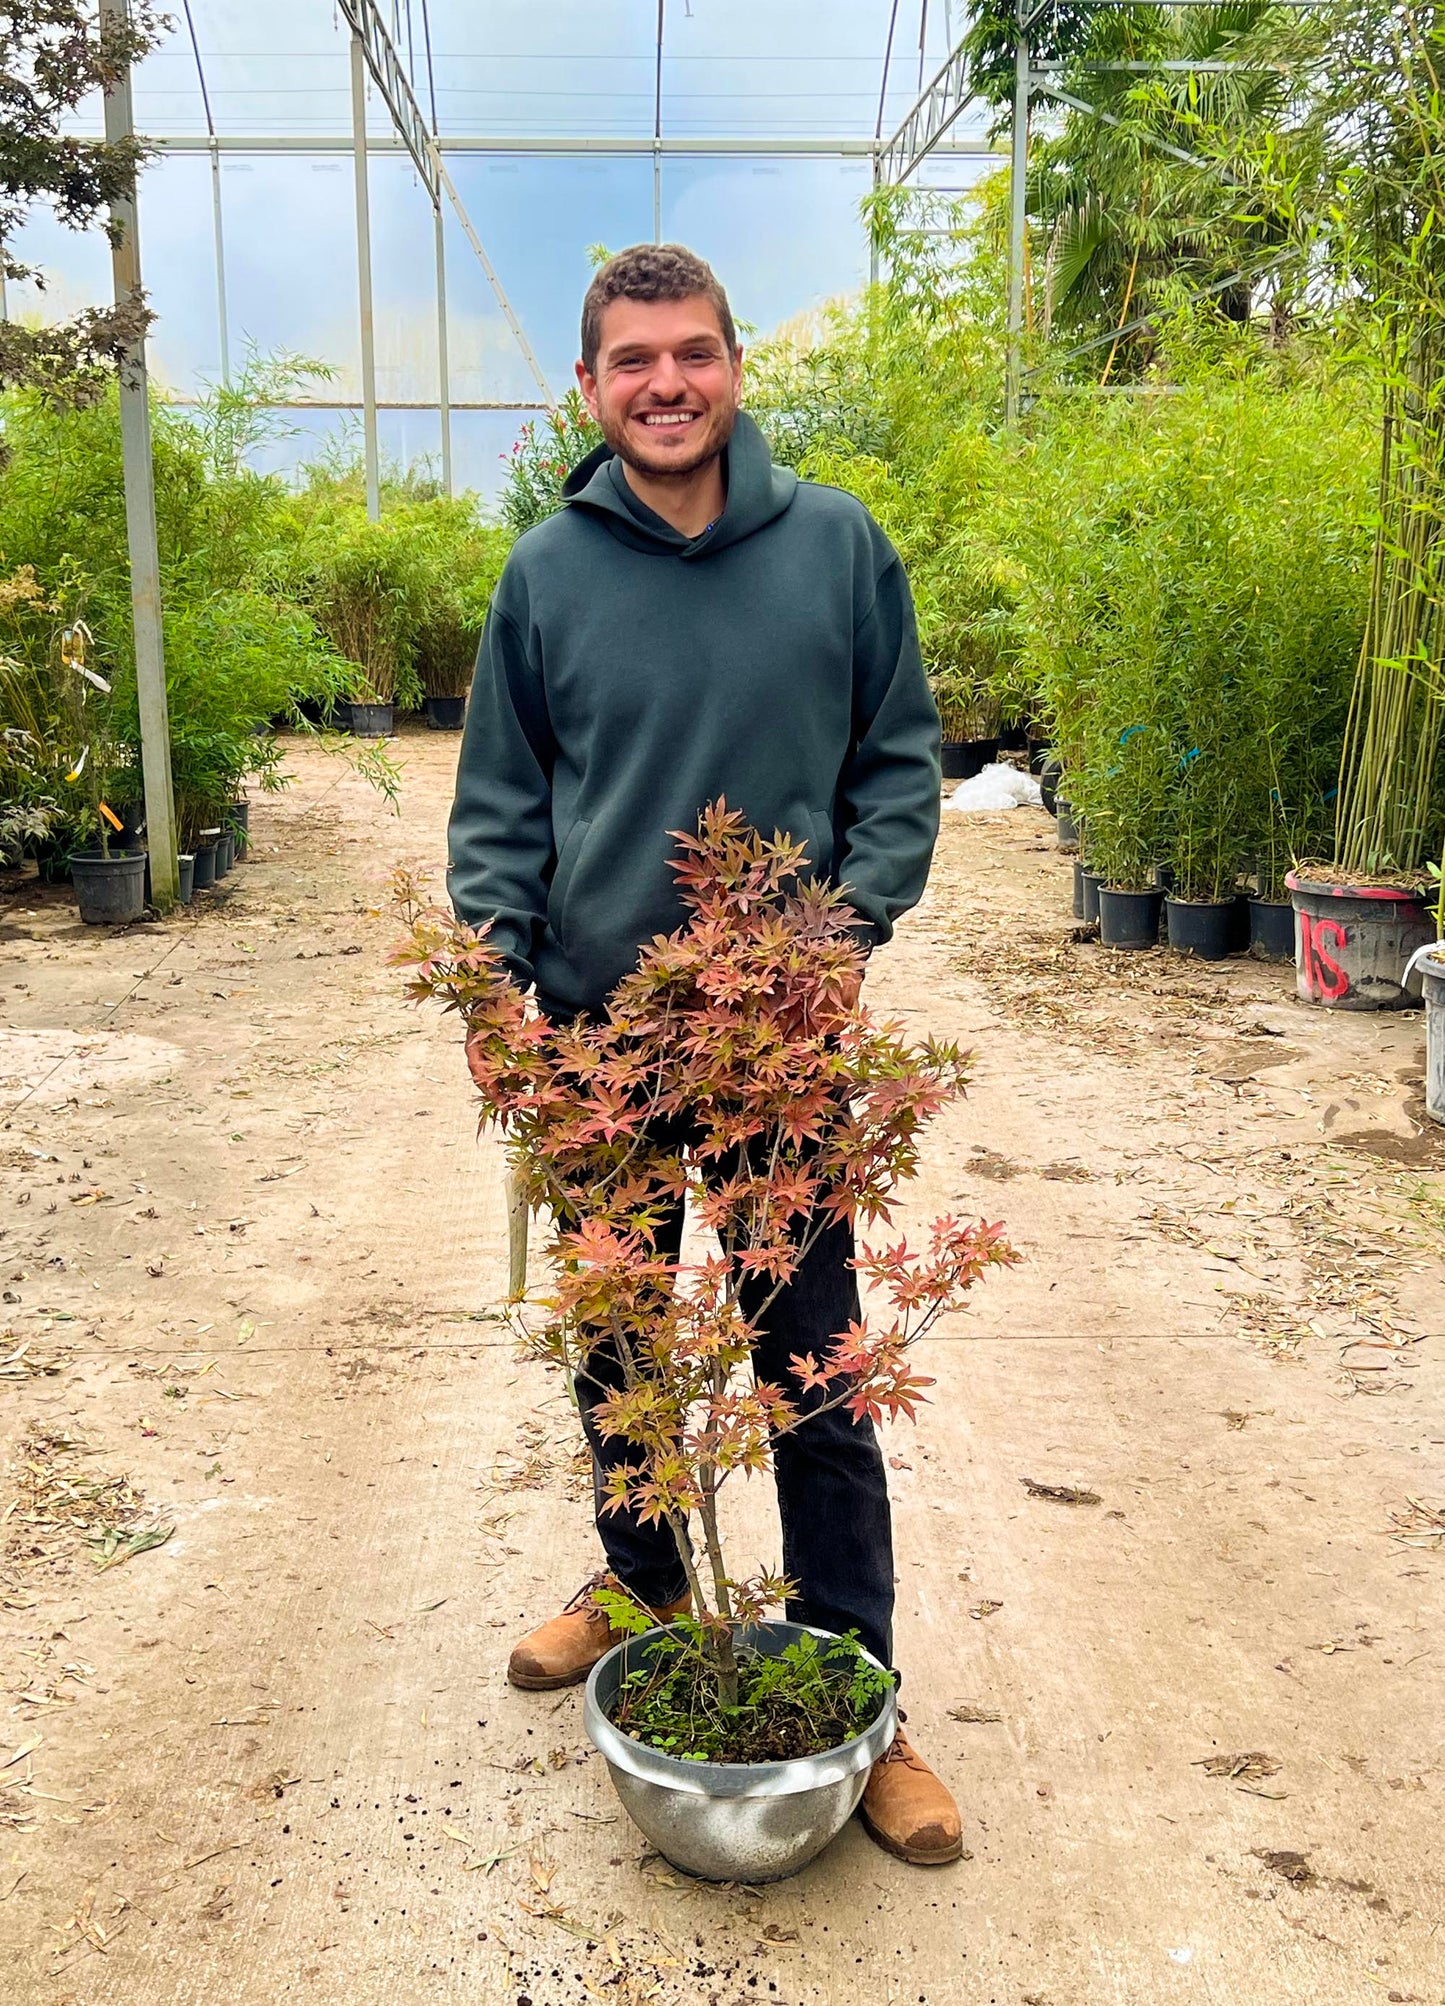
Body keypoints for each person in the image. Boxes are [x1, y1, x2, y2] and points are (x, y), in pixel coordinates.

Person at [447, 244, 955, 1865]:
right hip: (602, 1034)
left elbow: (898, 767)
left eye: (692, 354)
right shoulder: (545, 572)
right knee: (619, 1341)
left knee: (810, 1362)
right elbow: (500, 806)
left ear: (735, 366)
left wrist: (843, 934)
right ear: (589, 389)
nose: (664, 384)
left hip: (776, 1048)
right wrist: (497, 998)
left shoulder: (836, 548)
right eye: (631, 362)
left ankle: (860, 1685)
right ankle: (641, 1576)